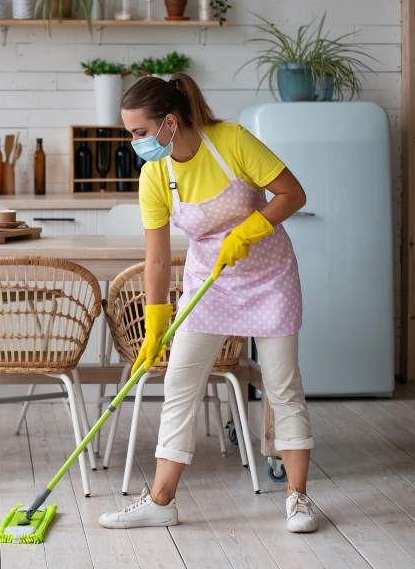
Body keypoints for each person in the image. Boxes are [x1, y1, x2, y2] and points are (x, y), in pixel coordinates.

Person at [99, 72, 317, 534]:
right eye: (130, 134)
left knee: (282, 386)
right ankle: (161, 501)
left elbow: (293, 194)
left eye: (139, 132)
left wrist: (249, 229)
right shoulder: (155, 173)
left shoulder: (231, 140)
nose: (135, 143)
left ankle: (298, 498)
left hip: (269, 277)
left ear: (169, 123)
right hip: (209, 284)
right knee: (180, 383)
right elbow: (157, 258)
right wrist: (156, 323)